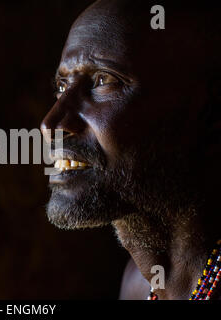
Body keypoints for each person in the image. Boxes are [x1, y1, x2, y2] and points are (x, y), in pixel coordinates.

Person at [40, 0, 221, 300]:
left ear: (209, 110)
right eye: (62, 86)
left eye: (103, 80)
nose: (50, 124)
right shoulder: (139, 285)